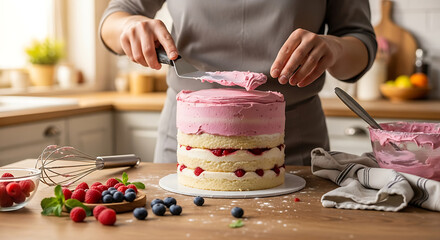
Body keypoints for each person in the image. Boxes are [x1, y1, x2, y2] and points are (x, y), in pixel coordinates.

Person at [100, 0, 377, 165]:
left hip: (293, 146)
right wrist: (128, 26)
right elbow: (116, 14)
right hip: (189, 143)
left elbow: (360, 39)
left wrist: (336, 48)